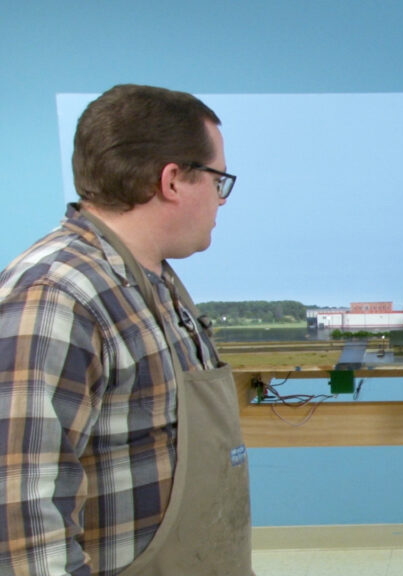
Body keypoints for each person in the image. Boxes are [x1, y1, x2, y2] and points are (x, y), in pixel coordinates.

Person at [0, 85, 251, 575]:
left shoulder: (152, 283)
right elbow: (24, 517)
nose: (221, 201)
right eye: (218, 180)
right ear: (173, 180)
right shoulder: (57, 295)